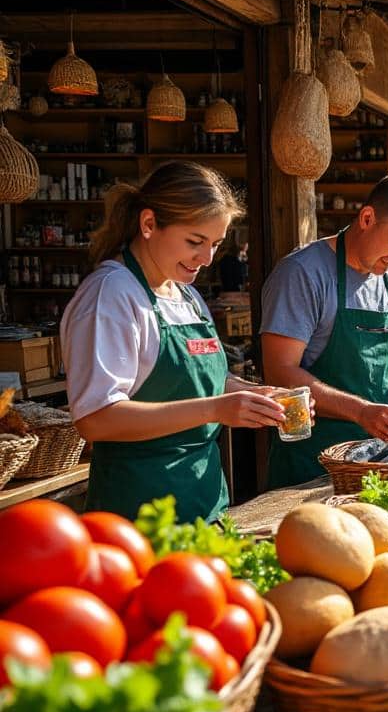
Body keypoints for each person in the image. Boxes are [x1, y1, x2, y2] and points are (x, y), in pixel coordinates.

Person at [61, 161, 286, 522]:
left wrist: (250, 394)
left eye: (215, 244)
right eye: (195, 242)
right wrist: (216, 408)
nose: (207, 259)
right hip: (139, 514)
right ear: (149, 224)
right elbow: (96, 419)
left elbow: (203, 383)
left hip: (203, 501)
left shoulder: (185, 295)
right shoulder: (111, 295)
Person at [261, 173, 388, 488]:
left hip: (377, 461)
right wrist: (360, 411)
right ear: (368, 218)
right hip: (311, 465)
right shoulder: (303, 273)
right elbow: (279, 373)